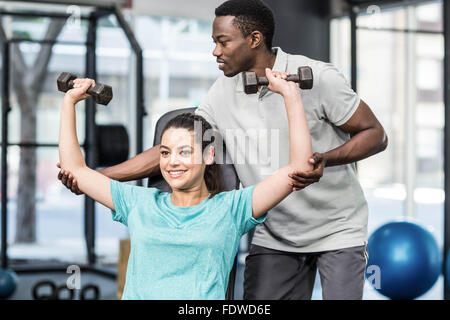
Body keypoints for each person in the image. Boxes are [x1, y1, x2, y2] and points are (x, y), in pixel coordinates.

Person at [58, 0, 388, 300]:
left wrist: (325, 158)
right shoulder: (223, 90)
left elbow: (376, 135)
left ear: (255, 40)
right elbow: (176, 146)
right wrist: (95, 177)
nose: (215, 51)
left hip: (336, 226)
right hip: (275, 231)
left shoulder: (319, 78)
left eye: (223, 41)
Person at [58, 69, 312, 299]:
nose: (172, 162)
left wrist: (291, 96)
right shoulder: (138, 202)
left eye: (185, 152)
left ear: (209, 155)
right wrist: (70, 102)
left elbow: (299, 168)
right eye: (166, 153)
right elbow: (75, 170)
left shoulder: (233, 208)